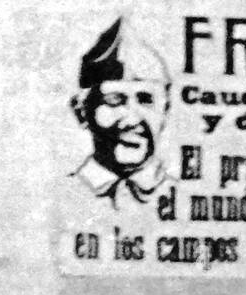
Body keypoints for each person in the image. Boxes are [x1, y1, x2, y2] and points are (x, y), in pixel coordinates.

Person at [69, 17, 173, 206]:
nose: (131, 118)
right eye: (114, 101)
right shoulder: (58, 197)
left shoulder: (186, 197)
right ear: (81, 112)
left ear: (165, 110)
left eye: (146, 100)